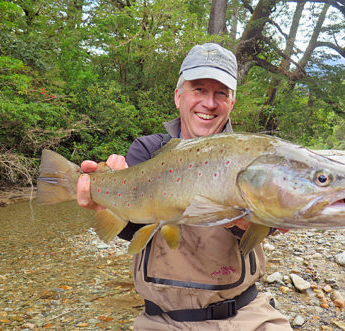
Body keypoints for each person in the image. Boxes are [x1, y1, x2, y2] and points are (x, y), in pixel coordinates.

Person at [77, 43, 292, 330]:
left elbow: (266, 230)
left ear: (232, 103)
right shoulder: (148, 150)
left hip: (244, 315)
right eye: (199, 90)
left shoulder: (253, 158)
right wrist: (107, 201)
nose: (209, 103)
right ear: (179, 97)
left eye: (221, 93)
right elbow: (132, 232)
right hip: (160, 319)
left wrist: (244, 221)